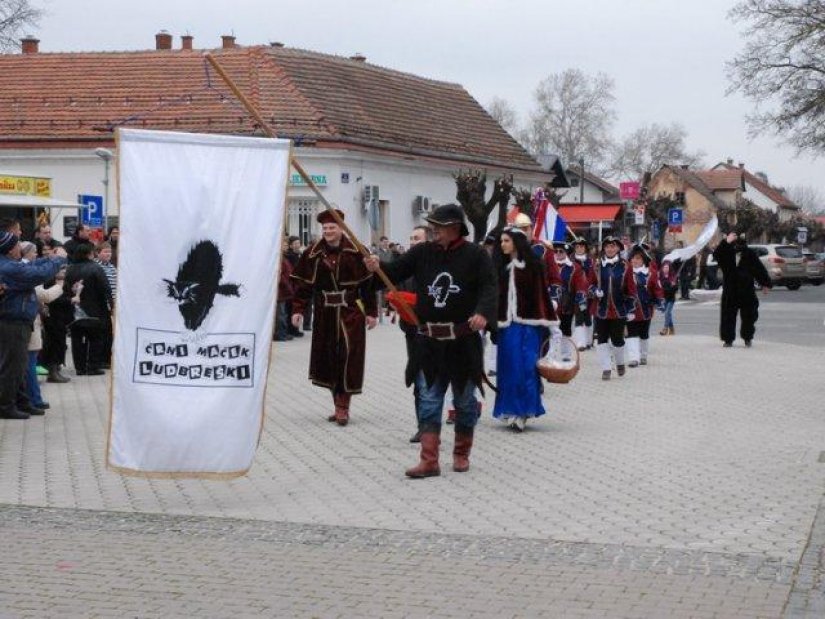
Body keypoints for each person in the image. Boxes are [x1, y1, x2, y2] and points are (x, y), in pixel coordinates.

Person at [365, 204, 496, 477]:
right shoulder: (422, 252)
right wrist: (377, 268)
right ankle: (429, 460)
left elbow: (489, 287)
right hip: (429, 340)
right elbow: (395, 272)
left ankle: (461, 453)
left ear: (456, 227)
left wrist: (483, 312)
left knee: (464, 401)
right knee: (428, 399)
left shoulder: (476, 255)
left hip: (462, 340)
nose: (434, 230)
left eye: (440, 225)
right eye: (433, 225)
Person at [290, 209, 378, 425]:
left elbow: (368, 285)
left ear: (341, 229)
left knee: (348, 356)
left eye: (332, 227)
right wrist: (298, 310)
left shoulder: (357, 251)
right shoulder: (313, 252)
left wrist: (371, 312)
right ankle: (336, 401)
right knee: (328, 357)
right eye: (325, 228)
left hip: (350, 312)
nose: (328, 231)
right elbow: (303, 286)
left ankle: (343, 406)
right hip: (325, 312)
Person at [492, 227, 557, 431]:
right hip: (506, 327)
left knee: (527, 369)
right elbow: (495, 299)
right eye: (501, 241)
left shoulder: (533, 267)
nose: (502, 244)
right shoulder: (500, 268)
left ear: (517, 243)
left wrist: (549, 325)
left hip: (529, 326)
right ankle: (510, 409)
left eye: (506, 241)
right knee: (508, 368)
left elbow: (541, 296)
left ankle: (525, 410)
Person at [0, 231, 68, 419]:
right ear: (8, 248)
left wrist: (51, 258)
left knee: (19, 367)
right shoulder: (8, 268)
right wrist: (58, 260)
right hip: (12, 322)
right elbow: (37, 274)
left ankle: (22, 402)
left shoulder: (10, 264)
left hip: (18, 321)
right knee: (12, 367)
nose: (19, 247)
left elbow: (33, 266)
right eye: (16, 245)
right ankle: (5, 406)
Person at [388, 225, 429, 443]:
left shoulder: (436, 264)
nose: (413, 242)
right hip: (413, 333)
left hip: (435, 332)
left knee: (436, 380)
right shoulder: (406, 267)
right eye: (411, 238)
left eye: (418, 238)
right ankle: (423, 425)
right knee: (418, 379)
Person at [713, 232, 771, 347]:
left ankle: (747, 337)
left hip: (747, 289)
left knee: (749, 315)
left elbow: (759, 269)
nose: (738, 248)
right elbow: (717, 254)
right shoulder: (726, 253)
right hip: (731, 290)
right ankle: (728, 339)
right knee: (728, 315)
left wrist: (765, 284)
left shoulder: (749, 254)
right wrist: (725, 242)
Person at [64, 243, 113, 375]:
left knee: (77, 339)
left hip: (75, 309)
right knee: (96, 338)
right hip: (96, 310)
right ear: (88, 254)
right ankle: (93, 366)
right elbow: (106, 288)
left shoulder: (70, 269)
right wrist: (112, 306)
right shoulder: (96, 268)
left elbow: (65, 289)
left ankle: (79, 368)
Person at [592, 236, 636, 380]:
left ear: (618, 248)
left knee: (618, 341)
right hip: (601, 309)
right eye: (607, 246)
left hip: (619, 309)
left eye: (613, 246)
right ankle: (606, 368)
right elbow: (589, 284)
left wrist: (630, 309)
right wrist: (594, 291)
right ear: (604, 248)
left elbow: (631, 289)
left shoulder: (625, 266)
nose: (610, 249)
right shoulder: (597, 265)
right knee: (602, 340)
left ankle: (620, 363)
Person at [626, 244, 665, 367]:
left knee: (644, 334)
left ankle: (643, 355)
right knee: (631, 333)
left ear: (643, 260)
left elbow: (657, 289)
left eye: (638, 258)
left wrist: (659, 301)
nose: (635, 261)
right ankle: (633, 358)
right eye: (633, 258)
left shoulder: (651, 273)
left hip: (645, 309)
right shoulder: (626, 273)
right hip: (630, 309)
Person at [552, 241, 588, 339]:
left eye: (561, 251)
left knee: (565, 330)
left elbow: (580, 285)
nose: (558, 253)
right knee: (549, 332)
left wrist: (581, 298)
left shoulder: (575, 267)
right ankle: (551, 353)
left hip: (566, 304)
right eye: (556, 251)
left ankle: (566, 354)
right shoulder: (548, 265)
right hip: (550, 304)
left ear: (566, 253)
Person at [94, 241, 117, 368]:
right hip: (101, 305)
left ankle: (107, 358)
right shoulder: (96, 267)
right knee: (103, 332)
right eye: (105, 251)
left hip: (111, 304)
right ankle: (101, 359)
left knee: (110, 333)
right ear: (98, 253)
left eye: (110, 251)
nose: (108, 254)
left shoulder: (113, 268)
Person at [571, 237, 597, 350]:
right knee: (579, 317)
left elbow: (595, 277)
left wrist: (594, 289)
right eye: (577, 247)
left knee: (588, 317)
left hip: (590, 294)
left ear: (585, 248)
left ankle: (588, 341)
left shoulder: (591, 261)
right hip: (577, 294)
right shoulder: (571, 261)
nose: (579, 249)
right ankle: (580, 342)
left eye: (581, 246)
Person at [659, 261, 679, 336]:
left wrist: (674, 285)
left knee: (667, 313)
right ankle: (672, 329)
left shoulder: (673, 277)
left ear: (669, 268)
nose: (665, 269)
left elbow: (676, 288)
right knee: (668, 314)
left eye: (667, 267)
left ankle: (665, 328)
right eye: (664, 267)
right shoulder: (661, 277)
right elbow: (660, 288)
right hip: (664, 298)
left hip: (671, 298)